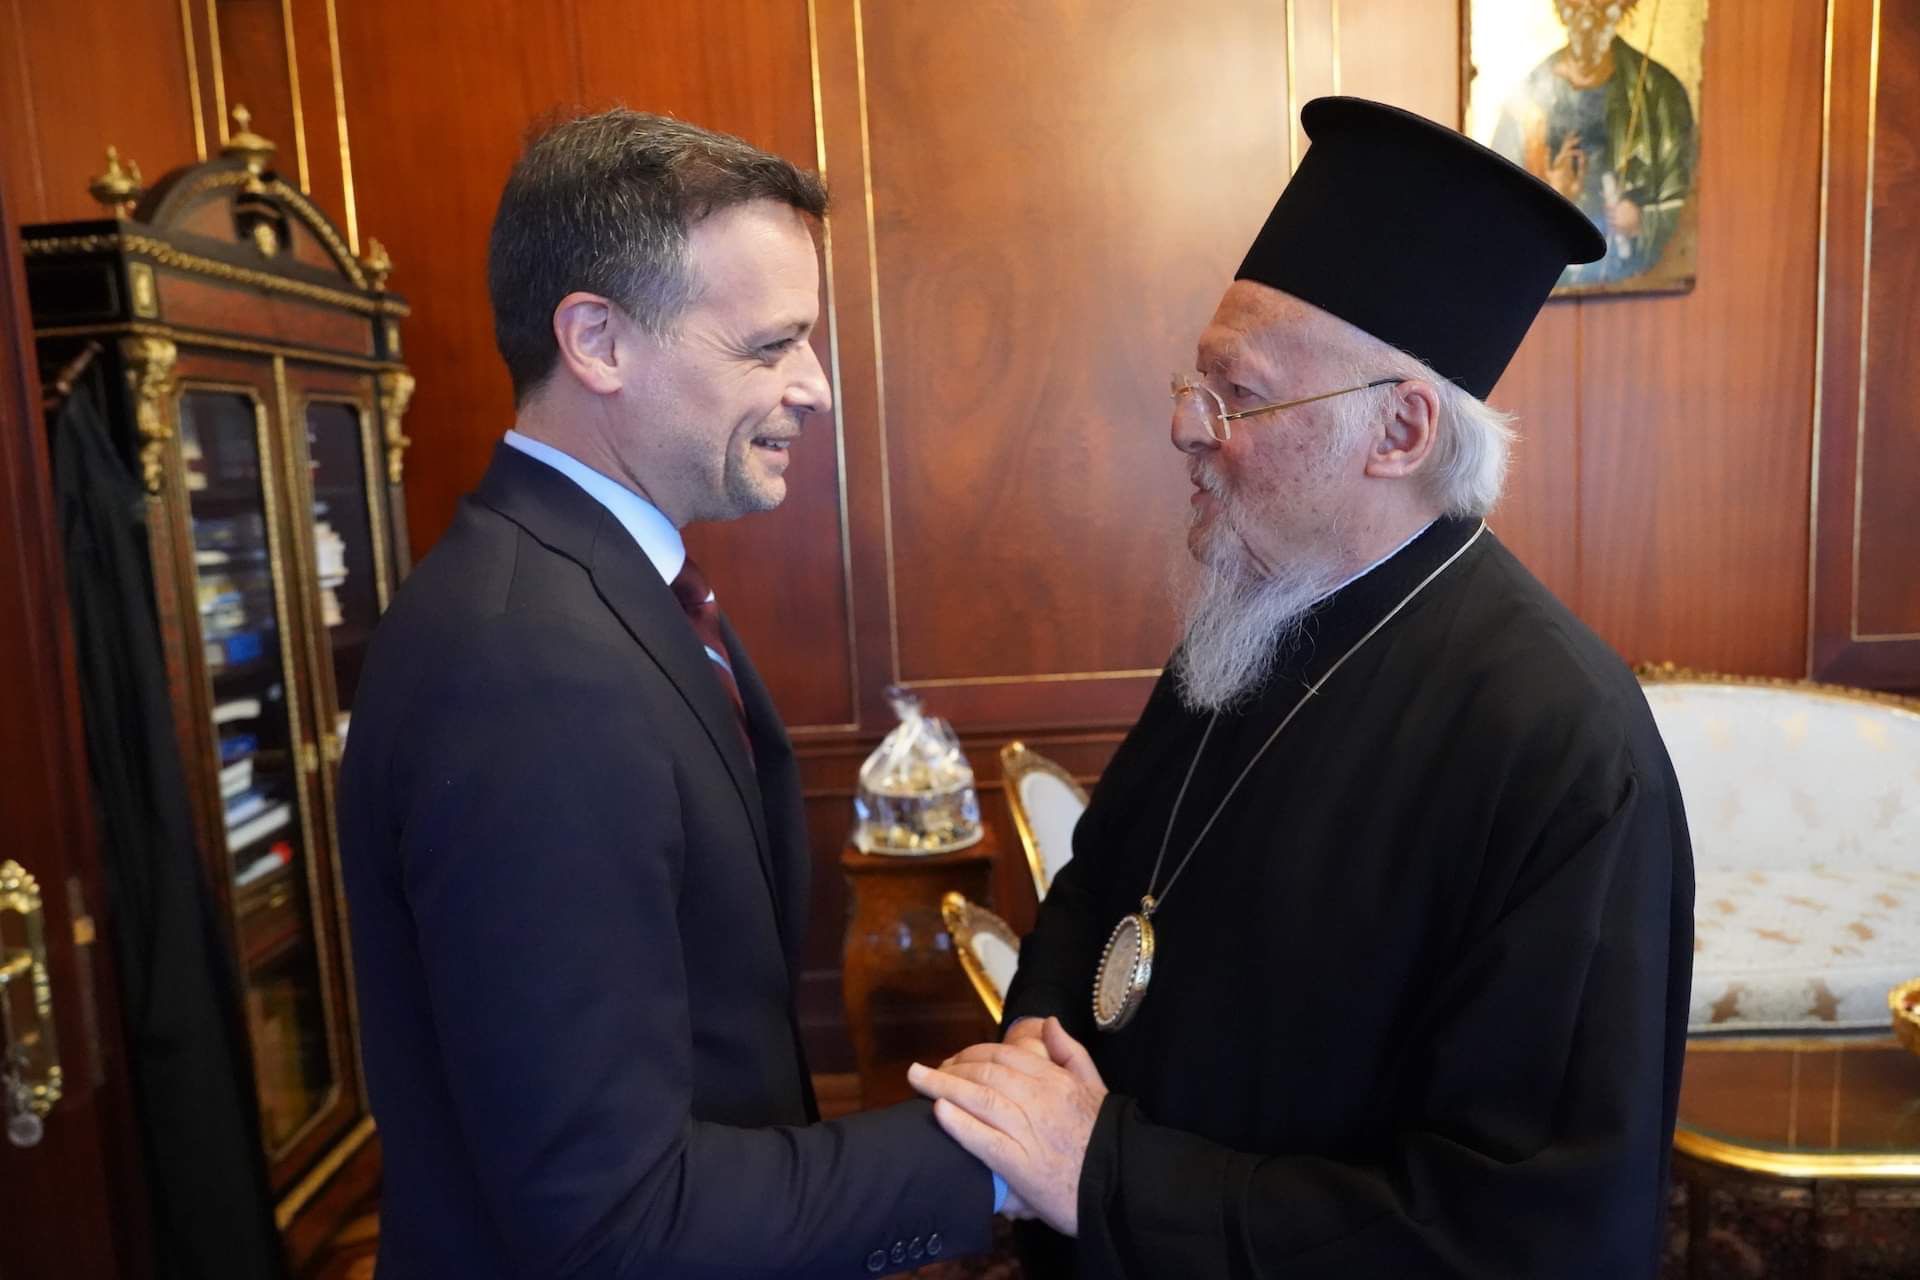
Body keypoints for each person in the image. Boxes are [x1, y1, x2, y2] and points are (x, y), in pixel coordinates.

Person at [909, 96, 1695, 1278]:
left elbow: (1520, 1230)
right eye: (1195, 381)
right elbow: (1101, 885)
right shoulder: (1250, 617)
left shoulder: (1563, 749)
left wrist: (1108, 1173)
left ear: (1400, 431)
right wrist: (1040, 1044)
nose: (1185, 426)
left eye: (1235, 393)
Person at [338, 110, 996, 1278]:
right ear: (598, 340)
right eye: (770, 345)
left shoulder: (596, 585)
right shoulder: (524, 667)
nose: (815, 387)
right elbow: (610, 1213)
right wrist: (992, 1155)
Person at [1489, 0, 1697, 287]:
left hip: (1635, 279)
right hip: (1543, 294)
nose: (1588, 16)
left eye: (1600, 3)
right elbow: (1494, 213)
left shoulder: (1659, 92)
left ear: (1621, 7)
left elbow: (1685, 211)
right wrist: (1551, 199)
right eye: (1577, 3)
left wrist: (1642, 221)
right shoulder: (1525, 103)